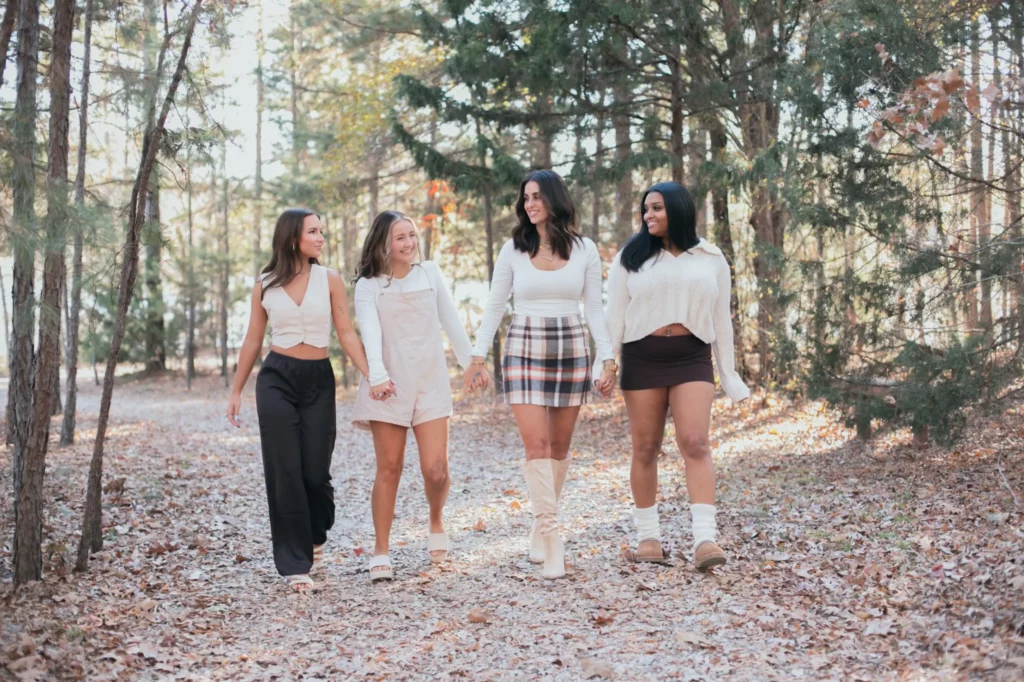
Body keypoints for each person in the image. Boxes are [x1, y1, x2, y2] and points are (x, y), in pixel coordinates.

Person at [467, 169, 615, 580]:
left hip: (570, 347)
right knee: (538, 446)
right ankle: (553, 540)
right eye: (525, 197)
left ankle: (539, 523)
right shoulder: (513, 249)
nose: (530, 204)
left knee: (560, 450)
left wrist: (608, 360)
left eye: (537, 196)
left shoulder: (584, 249)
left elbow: (595, 310)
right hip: (523, 348)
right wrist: (477, 357)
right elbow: (495, 306)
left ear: (554, 198)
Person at [227, 208, 374, 593]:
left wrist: (372, 374)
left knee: (314, 472)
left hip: (317, 381)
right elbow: (252, 340)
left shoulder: (330, 279)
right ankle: (295, 563)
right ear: (293, 238)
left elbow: (346, 331)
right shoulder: (265, 284)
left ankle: (316, 533)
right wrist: (236, 390)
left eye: (322, 231)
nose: (321, 238)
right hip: (276, 380)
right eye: (314, 231)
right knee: (285, 470)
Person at [605, 182, 750, 569]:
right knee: (646, 447)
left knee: (696, 442)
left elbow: (723, 320)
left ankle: (705, 540)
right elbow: (613, 316)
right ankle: (648, 538)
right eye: (645, 209)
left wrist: (729, 373)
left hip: (692, 355)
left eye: (656, 209)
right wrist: (606, 362)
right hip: (643, 355)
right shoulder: (630, 257)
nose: (647, 216)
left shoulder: (711, 257)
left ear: (678, 210)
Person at [351, 210, 485, 581]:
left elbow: (451, 320)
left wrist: (470, 363)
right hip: (388, 383)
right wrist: (377, 375)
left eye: (412, 235)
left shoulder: (431, 274)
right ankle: (381, 549)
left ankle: (436, 518)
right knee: (389, 468)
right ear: (384, 244)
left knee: (436, 469)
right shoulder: (369, 285)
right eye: (400, 237)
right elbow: (370, 334)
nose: (409, 243)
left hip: (430, 379)